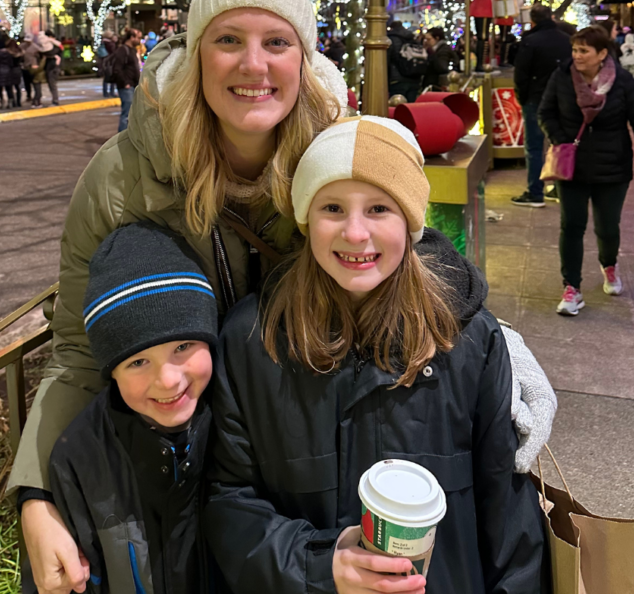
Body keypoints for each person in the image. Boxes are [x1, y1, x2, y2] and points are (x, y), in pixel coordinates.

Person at [8, 0, 554, 594]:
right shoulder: (122, 179)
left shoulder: (328, 144)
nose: (252, 65)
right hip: (173, 462)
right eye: (228, 39)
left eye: (276, 42)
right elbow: (76, 350)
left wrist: (486, 336)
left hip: (290, 459)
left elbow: (387, 238)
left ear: (303, 54)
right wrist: (36, 493)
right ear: (195, 49)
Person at [205, 116, 550, 594]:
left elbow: (509, 521)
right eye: (332, 207)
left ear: (410, 223)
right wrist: (319, 566)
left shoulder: (469, 343)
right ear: (306, 220)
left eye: (379, 209)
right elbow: (229, 503)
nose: (355, 233)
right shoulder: (253, 341)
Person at [44, 224, 217, 594]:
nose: (169, 380)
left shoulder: (236, 424)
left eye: (183, 346)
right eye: (138, 362)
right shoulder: (80, 457)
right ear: (112, 372)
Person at [539, 25, 634, 315]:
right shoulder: (562, 77)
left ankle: (609, 265)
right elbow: (545, 112)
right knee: (572, 226)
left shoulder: (623, 81)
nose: (576, 56)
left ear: (602, 53)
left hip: (612, 167)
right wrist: (561, 141)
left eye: (583, 50)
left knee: (607, 226)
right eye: (574, 49)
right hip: (572, 167)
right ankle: (572, 287)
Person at [511, 4, 573, 208]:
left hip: (536, 99)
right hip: (562, 99)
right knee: (560, 143)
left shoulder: (530, 42)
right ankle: (559, 187)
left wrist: (523, 97)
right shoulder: (566, 41)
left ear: (532, 20)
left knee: (534, 146)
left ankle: (535, 191)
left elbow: (521, 75)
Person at [112, 27, 142, 132]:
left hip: (133, 86)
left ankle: (130, 137)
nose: (139, 40)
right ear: (131, 37)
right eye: (138, 38)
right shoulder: (123, 50)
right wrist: (125, 83)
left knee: (133, 114)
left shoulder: (132, 50)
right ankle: (122, 139)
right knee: (127, 114)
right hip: (127, 87)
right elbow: (117, 69)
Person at [387, 18, 424, 103]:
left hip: (397, 79)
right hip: (414, 78)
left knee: (397, 105)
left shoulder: (391, 39)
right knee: (410, 108)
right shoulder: (411, 37)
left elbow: (390, 60)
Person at [0, 37, 16, 109]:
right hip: (8, 71)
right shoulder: (8, 53)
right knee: (9, 87)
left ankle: (2, 102)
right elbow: (11, 63)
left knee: (0, 88)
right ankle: (10, 101)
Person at [96, 30, 117, 99]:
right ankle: (112, 92)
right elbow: (114, 53)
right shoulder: (111, 44)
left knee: (105, 78)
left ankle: (105, 92)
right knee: (113, 77)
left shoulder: (102, 42)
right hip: (110, 63)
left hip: (104, 62)